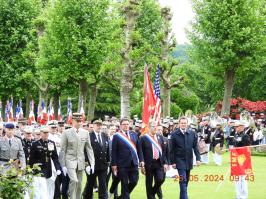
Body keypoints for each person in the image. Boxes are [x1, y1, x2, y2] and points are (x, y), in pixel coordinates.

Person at [59, 113, 95, 199]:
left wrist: (92, 163)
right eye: (77, 121)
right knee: (74, 181)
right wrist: (63, 165)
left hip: (80, 162)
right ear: (73, 121)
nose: (79, 123)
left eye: (80, 121)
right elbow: (62, 150)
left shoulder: (85, 133)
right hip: (69, 160)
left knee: (79, 184)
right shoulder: (66, 133)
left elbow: (89, 149)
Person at [111, 118, 144, 199]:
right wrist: (114, 164)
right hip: (122, 164)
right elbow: (114, 151)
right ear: (120, 125)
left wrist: (142, 160)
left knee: (134, 182)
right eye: (124, 124)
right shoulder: (116, 136)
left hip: (134, 163)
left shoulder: (134, 134)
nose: (126, 126)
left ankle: (121, 197)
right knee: (124, 184)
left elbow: (139, 148)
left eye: (127, 124)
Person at [170, 116, 201, 199]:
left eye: (185, 123)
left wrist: (198, 159)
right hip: (179, 161)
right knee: (183, 181)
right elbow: (171, 149)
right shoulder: (174, 134)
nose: (183, 124)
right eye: (182, 123)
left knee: (186, 182)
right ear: (179, 124)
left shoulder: (192, 134)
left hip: (189, 161)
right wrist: (172, 162)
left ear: (187, 124)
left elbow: (195, 147)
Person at [29, 127, 62, 199]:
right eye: (44, 133)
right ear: (41, 133)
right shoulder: (35, 144)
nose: (46, 134)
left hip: (49, 169)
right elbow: (31, 159)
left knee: (49, 187)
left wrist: (58, 168)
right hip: (39, 169)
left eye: (47, 133)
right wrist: (30, 169)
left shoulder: (51, 143)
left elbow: (55, 157)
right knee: (40, 189)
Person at [140, 120, 168, 199]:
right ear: (148, 127)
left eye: (156, 126)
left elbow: (164, 152)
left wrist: (165, 163)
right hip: (148, 163)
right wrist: (142, 163)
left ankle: (152, 192)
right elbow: (141, 152)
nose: (155, 128)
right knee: (149, 182)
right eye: (153, 126)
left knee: (160, 179)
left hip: (159, 163)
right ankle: (150, 197)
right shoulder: (143, 138)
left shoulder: (160, 138)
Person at [83, 120, 110, 199]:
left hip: (103, 165)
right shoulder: (89, 136)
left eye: (100, 125)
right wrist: (87, 164)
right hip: (92, 165)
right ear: (93, 126)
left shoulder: (105, 136)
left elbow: (107, 150)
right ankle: (86, 196)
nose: (99, 126)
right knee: (90, 184)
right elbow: (85, 151)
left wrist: (108, 163)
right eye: (97, 125)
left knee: (103, 185)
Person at [233, 121, 251, 199]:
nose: (235, 128)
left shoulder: (245, 136)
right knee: (237, 178)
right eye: (235, 127)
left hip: (243, 160)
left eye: (237, 127)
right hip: (236, 158)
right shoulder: (236, 135)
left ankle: (243, 196)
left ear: (242, 127)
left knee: (243, 178)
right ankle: (238, 195)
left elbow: (247, 146)